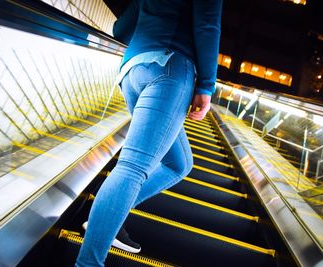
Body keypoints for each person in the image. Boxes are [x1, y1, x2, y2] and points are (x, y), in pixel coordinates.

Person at [75, 0, 223, 266]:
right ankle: (87, 262)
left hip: (133, 71)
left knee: (180, 163)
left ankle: (110, 217)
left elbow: (121, 28)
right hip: (170, 66)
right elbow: (208, 25)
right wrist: (207, 86)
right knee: (132, 168)